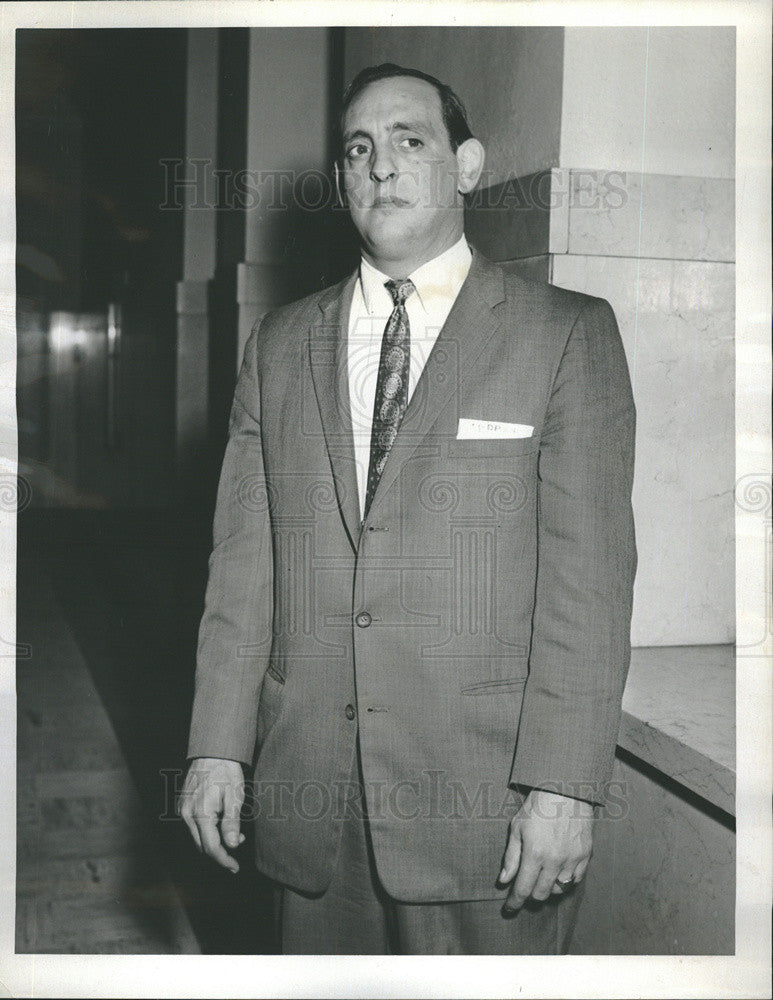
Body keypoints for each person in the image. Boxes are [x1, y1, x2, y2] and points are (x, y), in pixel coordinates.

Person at [179, 63, 637, 955]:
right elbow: (244, 565)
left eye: (408, 141)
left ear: (465, 166)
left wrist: (563, 790)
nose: (379, 165)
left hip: (486, 814)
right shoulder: (278, 345)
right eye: (358, 148)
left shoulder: (563, 334)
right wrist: (215, 746)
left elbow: (589, 586)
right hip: (306, 795)